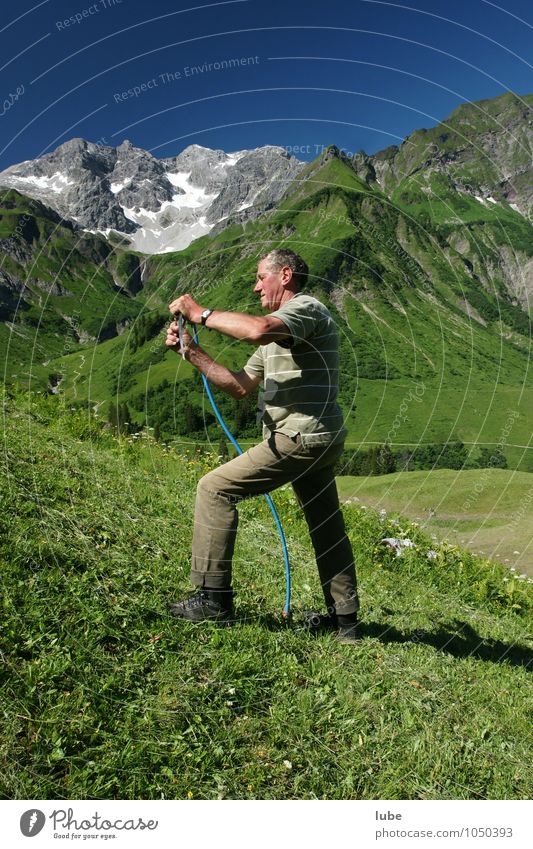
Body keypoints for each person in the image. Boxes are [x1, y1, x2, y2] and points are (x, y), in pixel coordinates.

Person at [165, 248, 359, 643]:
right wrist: (192, 353)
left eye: (260, 278)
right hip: (318, 438)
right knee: (325, 525)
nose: (255, 287)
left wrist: (200, 313)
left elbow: (256, 328)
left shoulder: (305, 309)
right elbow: (239, 386)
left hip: (299, 437)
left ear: (284, 276)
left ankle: (212, 597)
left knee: (214, 489)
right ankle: (346, 624)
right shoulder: (279, 335)